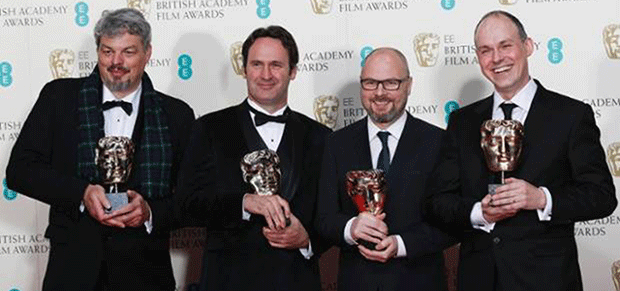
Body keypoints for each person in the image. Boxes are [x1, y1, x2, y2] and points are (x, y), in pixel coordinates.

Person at [424, 10, 617, 291]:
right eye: (486, 50)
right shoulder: (462, 122)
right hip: (479, 279)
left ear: (527, 47)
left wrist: (540, 198)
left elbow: (601, 197)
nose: (497, 58)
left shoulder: (571, 115)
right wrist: (479, 213)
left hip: (547, 280)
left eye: (505, 46)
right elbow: (437, 202)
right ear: (478, 58)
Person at [5, 8, 194, 291]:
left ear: (148, 53)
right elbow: (20, 170)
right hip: (72, 271)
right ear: (97, 51)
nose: (116, 62)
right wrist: (80, 192)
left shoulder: (176, 115)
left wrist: (150, 211)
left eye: (128, 52)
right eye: (107, 51)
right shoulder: (58, 98)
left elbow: (193, 199)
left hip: (145, 274)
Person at [175, 25, 331, 291]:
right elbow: (187, 203)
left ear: (293, 71)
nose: (266, 75)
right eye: (257, 64)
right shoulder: (209, 128)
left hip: (296, 280)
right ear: (244, 69)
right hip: (228, 280)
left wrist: (307, 239)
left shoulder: (321, 137)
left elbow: (331, 213)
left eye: (276, 65)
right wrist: (245, 203)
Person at [316, 47, 455, 291]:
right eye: (370, 83)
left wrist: (402, 244)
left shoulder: (438, 142)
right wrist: (351, 228)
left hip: (419, 282)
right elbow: (323, 218)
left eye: (391, 83)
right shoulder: (336, 144)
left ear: (409, 85)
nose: (379, 93)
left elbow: (451, 222)